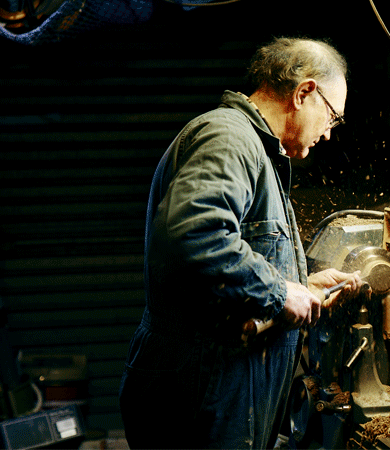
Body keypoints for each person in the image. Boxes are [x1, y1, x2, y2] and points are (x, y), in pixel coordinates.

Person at [118, 37, 363, 449]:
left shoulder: (259, 151)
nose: (327, 134)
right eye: (333, 117)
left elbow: (243, 254)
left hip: (219, 382)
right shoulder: (228, 139)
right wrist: (278, 291)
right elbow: (196, 234)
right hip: (202, 387)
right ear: (305, 93)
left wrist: (303, 286)